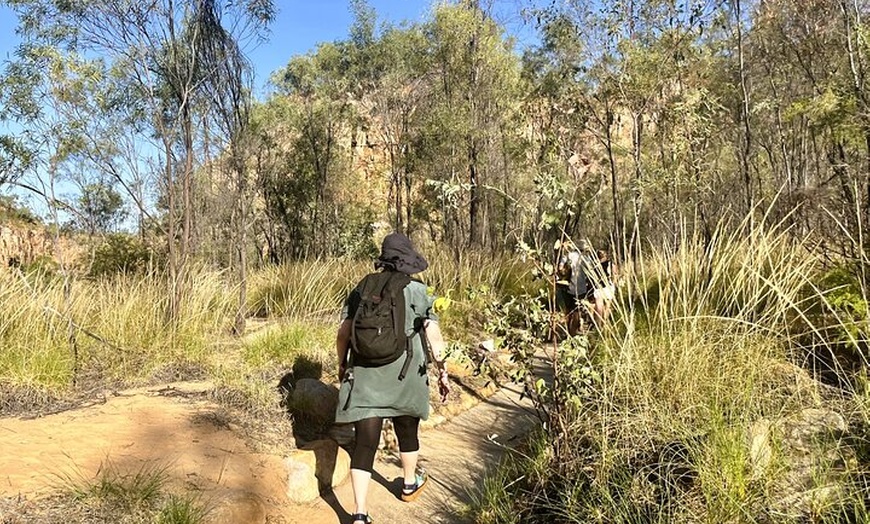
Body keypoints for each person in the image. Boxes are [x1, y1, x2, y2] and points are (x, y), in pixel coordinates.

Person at [335, 232, 450, 524]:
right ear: (408, 258)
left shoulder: (362, 288)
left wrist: (342, 364)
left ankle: (359, 514)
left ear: (384, 259)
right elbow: (433, 336)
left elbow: (343, 333)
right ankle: (409, 484)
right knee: (407, 431)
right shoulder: (419, 290)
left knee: (364, 444)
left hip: (365, 376)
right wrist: (443, 370)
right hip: (406, 376)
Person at [590, 248, 616, 323]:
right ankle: (605, 322)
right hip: (609, 287)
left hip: (598, 287)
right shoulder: (611, 264)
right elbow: (615, 274)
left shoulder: (594, 265)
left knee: (599, 308)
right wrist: (613, 284)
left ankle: (598, 324)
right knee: (607, 306)